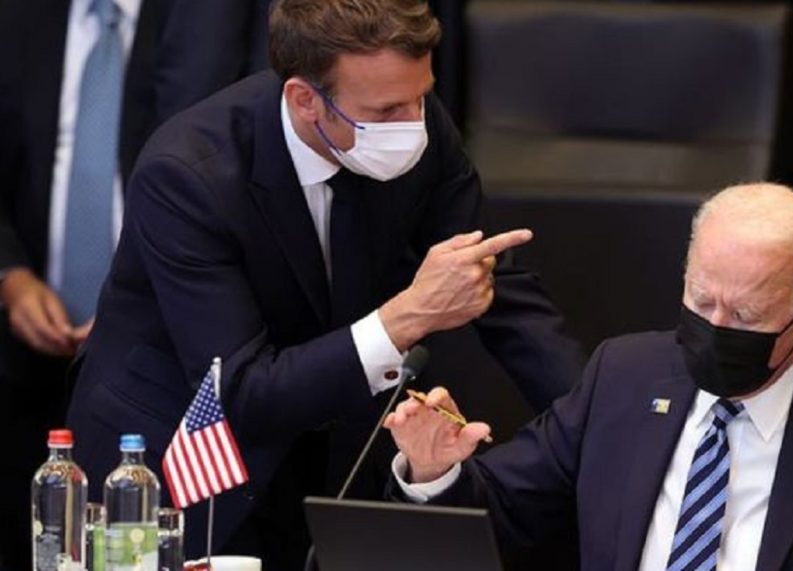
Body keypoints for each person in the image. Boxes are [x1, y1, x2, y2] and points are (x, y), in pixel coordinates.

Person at [65, 0, 582, 567]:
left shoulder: (414, 119)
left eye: (421, 96)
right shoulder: (188, 174)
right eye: (386, 111)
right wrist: (408, 315)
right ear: (304, 100)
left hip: (329, 451)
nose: (412, 123)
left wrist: (599, 417)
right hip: (183, 463)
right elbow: (241, 391)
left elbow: (488, 280)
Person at [386, 183, 793, 571]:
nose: (717, 326)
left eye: (746, 315)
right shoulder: (624, 377)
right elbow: (504, 517)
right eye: (702, 300)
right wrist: (434, 471)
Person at [0, 1, 260, 568]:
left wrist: (133, 302)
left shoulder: (205, 26)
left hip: (151, 351)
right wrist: (10, 277)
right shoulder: (20, 18)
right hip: (18, 350)